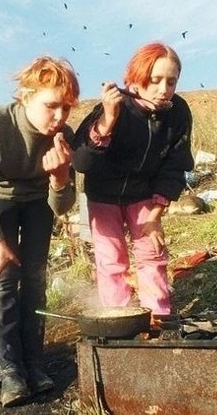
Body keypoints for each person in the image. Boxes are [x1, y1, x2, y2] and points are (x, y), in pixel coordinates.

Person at [0, 56, 79, 407]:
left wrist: (60, 178)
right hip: (0, 200)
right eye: (51, 106)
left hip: (38, 203)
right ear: (26, 96)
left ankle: (35, 363)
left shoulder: (65, 136)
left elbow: (62, 206)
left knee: (35, 280)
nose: (60, 117)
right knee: (3, 284)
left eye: (66, 108)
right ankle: (11, 372)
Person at [72, 42, 194, 317]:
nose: (163, 89)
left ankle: (158, 318)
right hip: (103, 194)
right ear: (136, 79)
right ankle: (119, 320)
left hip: (144, 193)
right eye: (155, 80)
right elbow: (81, 162)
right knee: (112, 261)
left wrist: (155, 215)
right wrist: (109, 119)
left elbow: (175, 166)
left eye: (171, 81)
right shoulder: (114, 107)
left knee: (152, 253)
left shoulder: (178, 113)